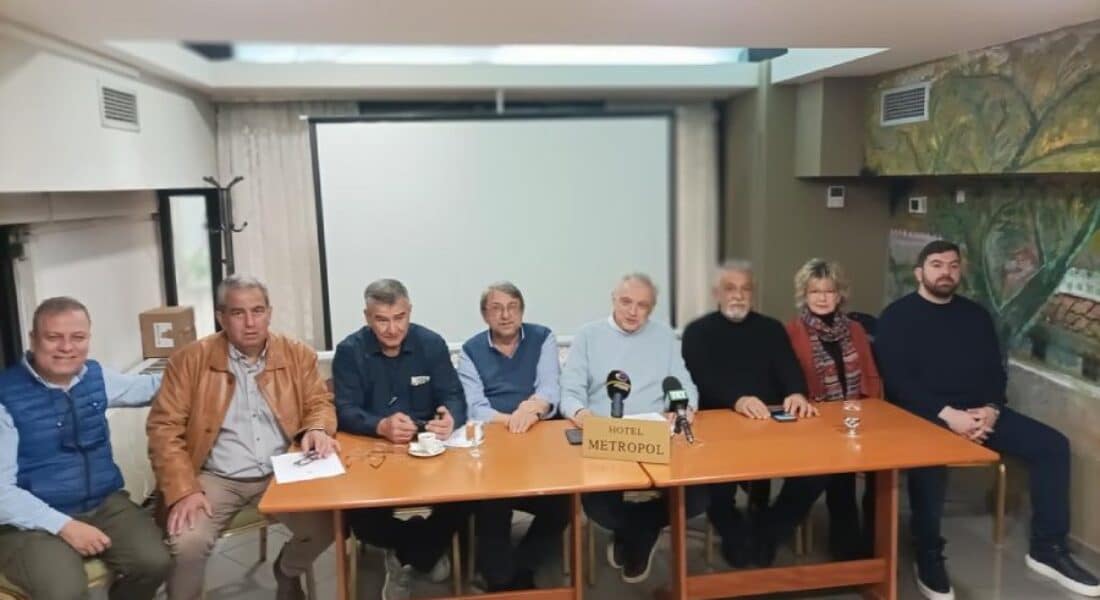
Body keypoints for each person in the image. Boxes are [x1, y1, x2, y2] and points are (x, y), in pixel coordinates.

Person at [877, 240, 1100, 600]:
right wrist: (949, 416)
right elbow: (898, 382)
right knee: (929, 460)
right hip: (925, 416)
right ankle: (928, 553)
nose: (946, 272)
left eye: (953, 265)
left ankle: (1048, 548)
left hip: (981, 413)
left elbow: (996, 372)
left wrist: (992, 410)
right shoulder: (896, 317)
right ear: (920, 273)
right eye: (937, 265)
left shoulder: (976, 316)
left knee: (1053, 446)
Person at [148, 275, 337, 600]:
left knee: (330, 526)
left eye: (258, 311)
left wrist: (316, 428)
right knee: (187, 542)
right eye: (238, 313)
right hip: (216, 476)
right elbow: (163, 429)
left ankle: (287, 571)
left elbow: (319, 403)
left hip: (282, 471)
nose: (250, 323)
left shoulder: (297, 354)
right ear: (221, 317)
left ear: (269, 313)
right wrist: (183, 490)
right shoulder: (189, 361)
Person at [0, 297, 170, 599]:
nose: (66, 347)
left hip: (103, 503)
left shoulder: (95, 376)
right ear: (33, 339)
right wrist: (65, 526)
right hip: (30, 521)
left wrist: (199, 363)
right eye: (53, 337)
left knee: (155, 562)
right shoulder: (6, 395)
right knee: (64, 591)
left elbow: (150, 388)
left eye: (77, 337)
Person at [560, 273, 707, 584]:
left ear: (651, 309)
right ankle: (642, 533)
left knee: (698, 498)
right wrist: (582, 414)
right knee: (599, 508)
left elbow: (684, 385)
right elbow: (569, 392)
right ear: (613, 300)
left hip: (657, 436)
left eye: (642, 305)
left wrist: (685, 409)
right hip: (606, 438)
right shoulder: (588, 336)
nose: (632, 311)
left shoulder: (664, 336)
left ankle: (635, 534)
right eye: (626, 302)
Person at [333, 278, 467, 600]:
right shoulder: (350, 351)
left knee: (470, 496)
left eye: (399, 318)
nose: (392, 329)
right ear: (367, 317)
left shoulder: (431, 344)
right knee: (360, 517)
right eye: (382, 320)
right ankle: (425, 552)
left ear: (410, 312)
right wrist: (380, 425)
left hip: (430, 449)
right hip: (375, 452)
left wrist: (450, 417)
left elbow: (454, 395)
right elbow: (344, 410)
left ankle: (405, 555)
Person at [681, 259, 815, 567]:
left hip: (770, 428)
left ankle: (770, 529)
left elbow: (790, 370)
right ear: (717, 293)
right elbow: (699, 380)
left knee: (818, 471)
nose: (738, 295)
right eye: (730, 288)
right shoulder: (698, 332)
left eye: (745, 289)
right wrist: (737, 400)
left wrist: (796, 392)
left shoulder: (771, 328)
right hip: (718, 432)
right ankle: (733, 533)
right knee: (717, 485)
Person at [754, 259, 884, 563]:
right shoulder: (790, 332)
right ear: (804, 295)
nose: (822, 298)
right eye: (815, 291)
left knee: (851, 471)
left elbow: (870, 376)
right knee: (828, 473)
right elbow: (782, 382)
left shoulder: (855, 330)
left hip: (853, 421)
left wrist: (865, 416)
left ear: (839, 295)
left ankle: (845, 548)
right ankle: (840, 549)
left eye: (829, 291)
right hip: (809, 424)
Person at [457, 281, 568, 591]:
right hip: (495, 443)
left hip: (539, 442)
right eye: (496, 308)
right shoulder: (470, 350)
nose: (505, 315)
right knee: (492, 503)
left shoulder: (543, 337)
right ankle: (501, 581)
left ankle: (524, 566)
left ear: (522, 311)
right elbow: (475, 407)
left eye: (512, 307)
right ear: (485, 315)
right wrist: (513, 420)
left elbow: (549, 388)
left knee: (562, 504)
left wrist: (532, 410)